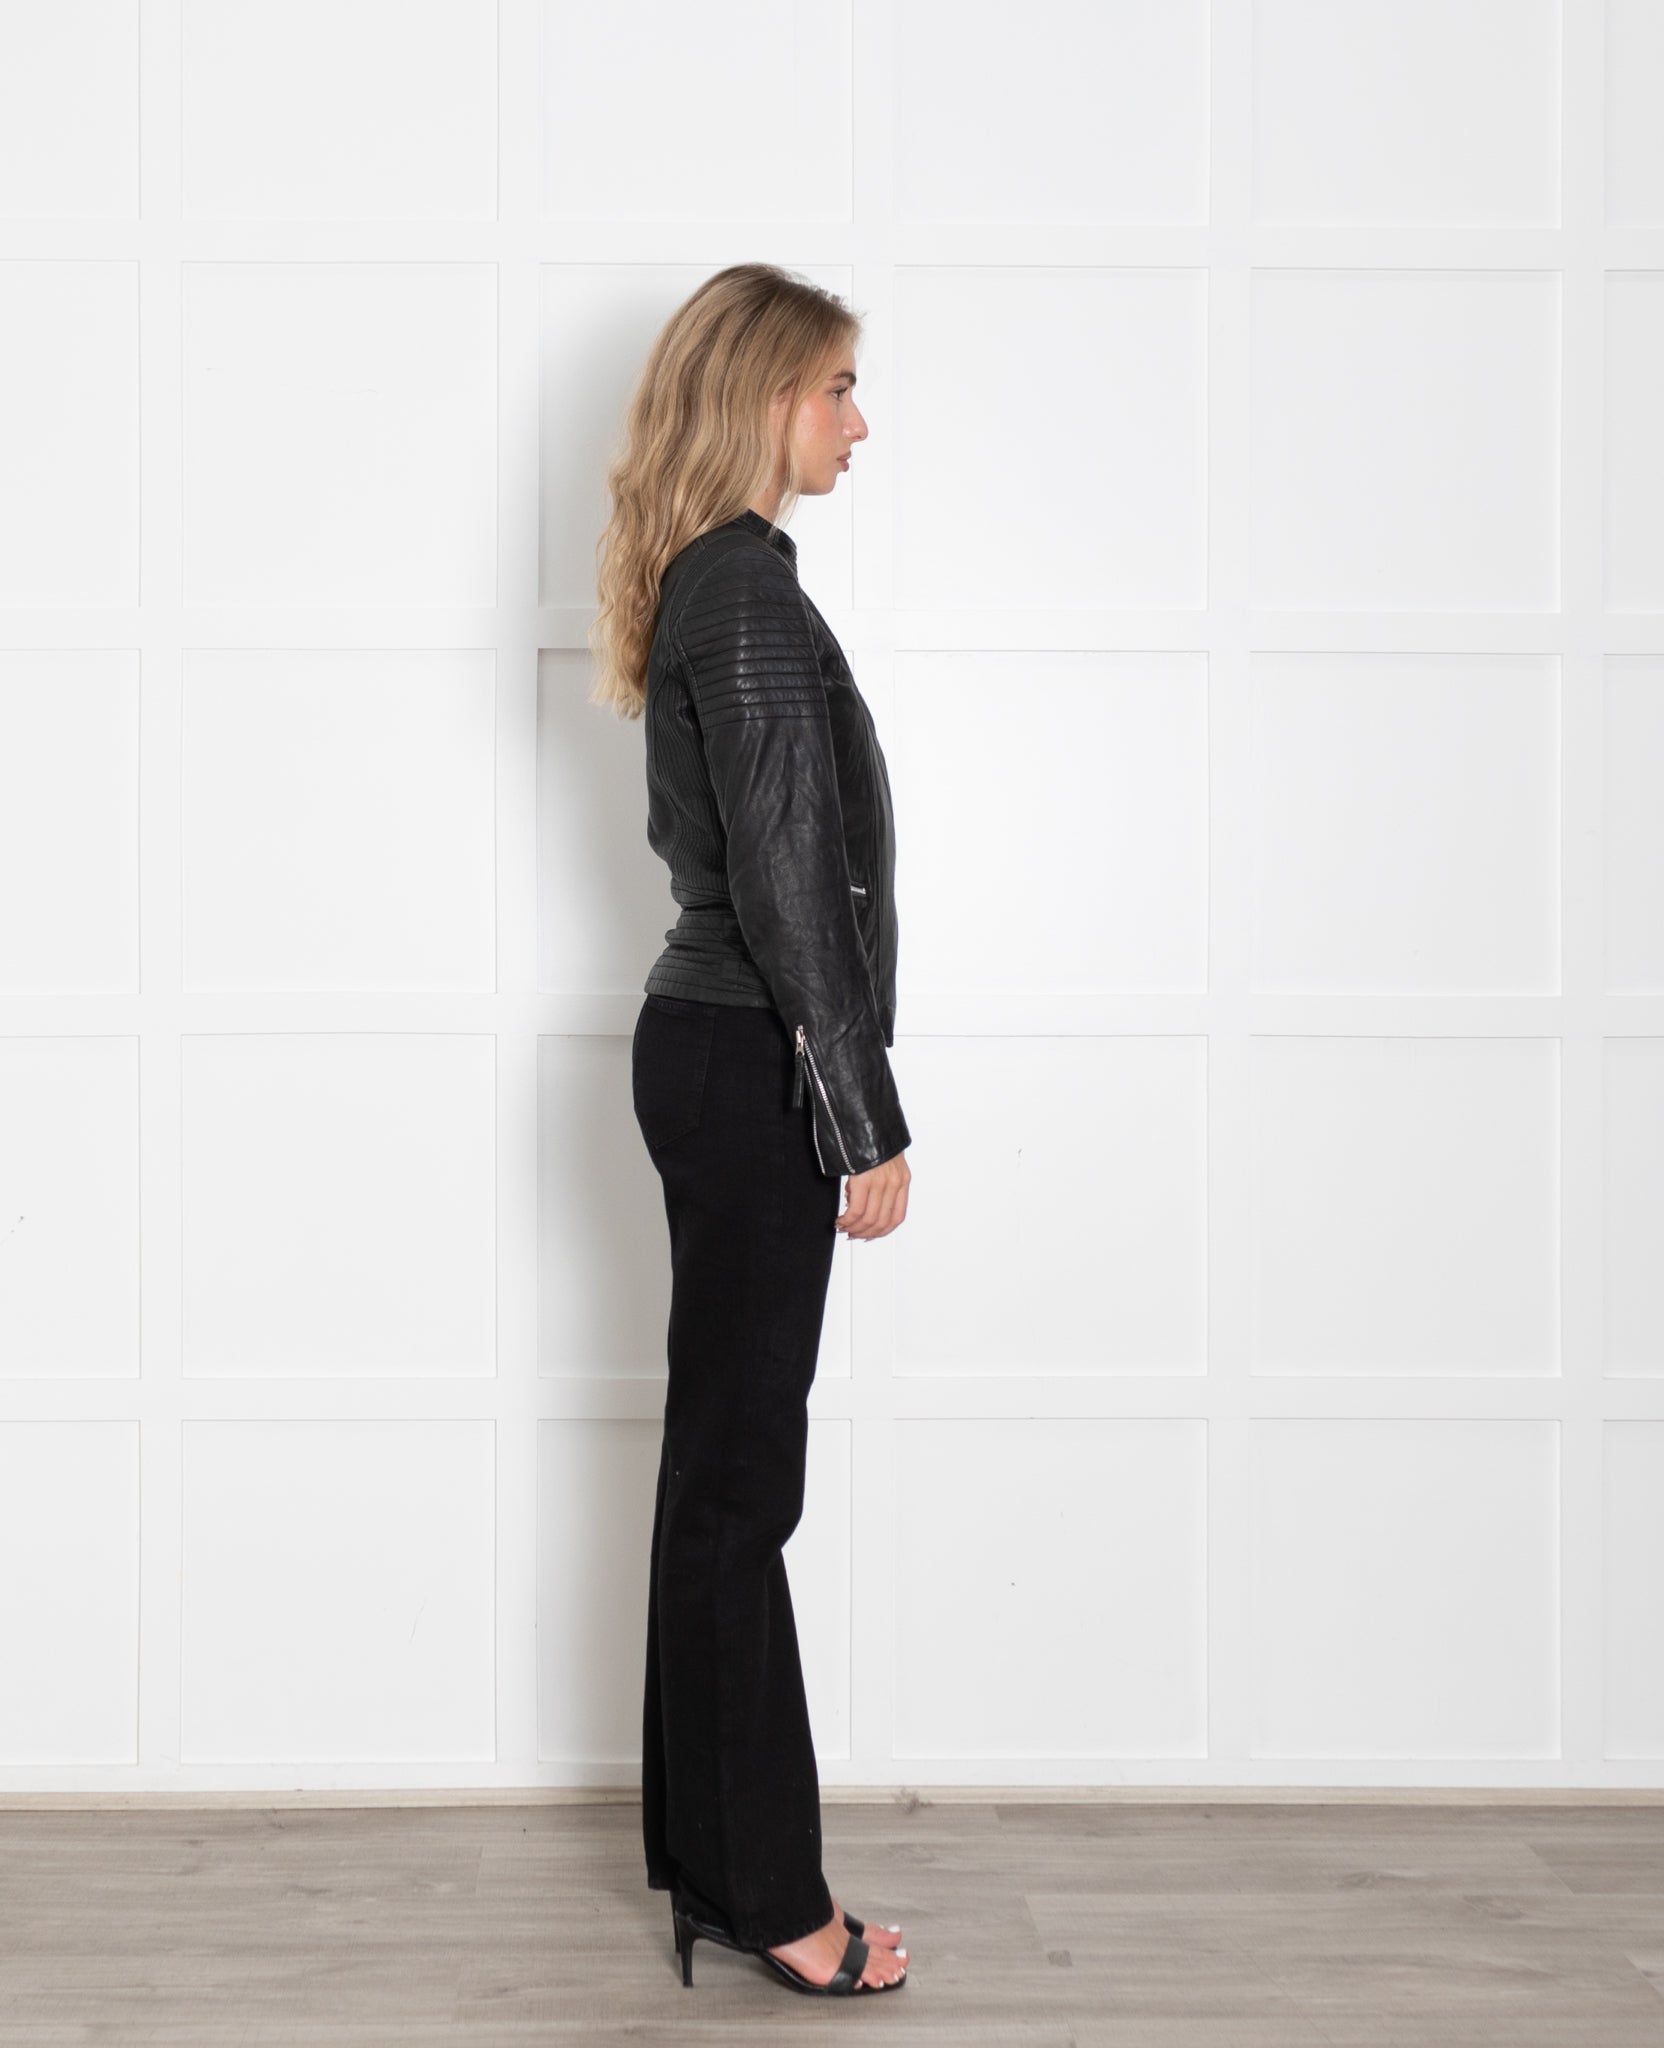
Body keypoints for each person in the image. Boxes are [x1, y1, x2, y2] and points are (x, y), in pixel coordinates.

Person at [587, 264, 914, 1999]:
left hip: (716, 1053)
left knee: (717, 1480)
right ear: (768, 395)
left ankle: (717, 1867)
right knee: (739, 1493)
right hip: (751, 1064)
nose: (861, 424)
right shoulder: (746, 594)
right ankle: (772, 1896)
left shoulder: (713, 583)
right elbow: (793, 885)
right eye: (839, 388)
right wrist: (860, 1115)